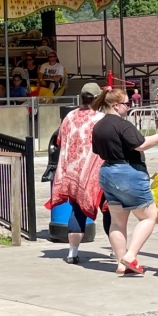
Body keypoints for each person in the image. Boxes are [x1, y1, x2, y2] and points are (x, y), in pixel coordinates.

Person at [91, 88, 158, 275]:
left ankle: (121, 264)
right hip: (128, 171)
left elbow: (96, 151)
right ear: (116, 105)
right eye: (127, 104)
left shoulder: (99, 126)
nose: (130, 106)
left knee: (117, 222)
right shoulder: (122, 125)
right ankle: (130, 256)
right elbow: (140, 144)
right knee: (149, 216)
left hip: (107, 172)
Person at [50, 82, 104, 264]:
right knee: (110, 209)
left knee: (77, 210)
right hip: (95, 170)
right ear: (98, 98)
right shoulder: (100, 118)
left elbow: (59, 140)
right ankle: (116, 249)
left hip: (72, 171)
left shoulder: (69, 116)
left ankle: (72, 252)